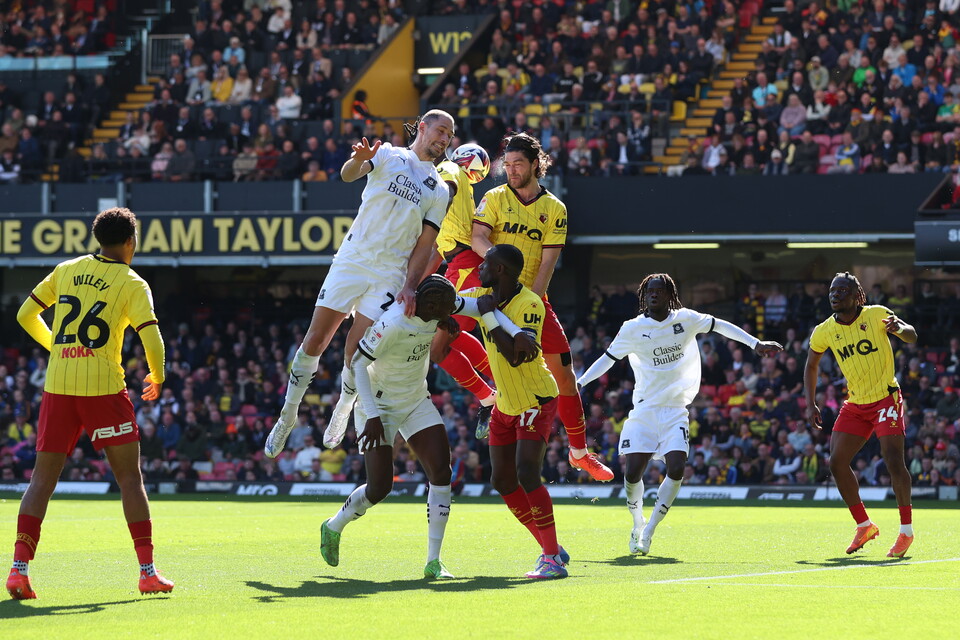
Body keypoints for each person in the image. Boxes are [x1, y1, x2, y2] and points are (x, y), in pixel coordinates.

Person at [264, 110, 453, 457]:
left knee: (356, 352)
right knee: (315, 340)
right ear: (422, 128)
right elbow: (348, 174)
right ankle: (287, 416)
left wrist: (410, 285)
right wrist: (358, 160)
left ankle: (343, 408)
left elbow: (425, 244)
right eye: (440, 130)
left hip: (389, 274)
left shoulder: (440, 190)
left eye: (449, 135)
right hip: (352, 260)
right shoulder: (388, 154)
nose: (444, 139)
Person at [7, 208, 173, 599]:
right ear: (131, 241)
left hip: (59, 385)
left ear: (99, 239)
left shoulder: (66, 269)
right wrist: (158, 375)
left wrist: (56, 346)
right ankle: (147, 572)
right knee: (129, 478)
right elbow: (152, 339)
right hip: (103, 388)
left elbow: (25, 313)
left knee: (41, 480)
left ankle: (18, 570)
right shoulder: (132, 282)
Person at [320, 275, 533, 578]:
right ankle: (333, 526)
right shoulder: (393, 323)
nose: (450, 314)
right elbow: (357, 363)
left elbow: (482, 306)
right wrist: (371, 415)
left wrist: (518, 331)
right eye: (445, 311)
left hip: (416, 400)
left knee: (441, 473)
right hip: (378, 405)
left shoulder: (440, 301)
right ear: (429, 305)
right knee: (380, 488)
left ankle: (434, 562)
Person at [576, 273, 782, 555]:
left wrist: (755, 343)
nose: (653, 295)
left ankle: (650, 531)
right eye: (648, 291)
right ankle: (637, 523)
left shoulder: (685, 319)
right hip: (645, 408)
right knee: (633, 473)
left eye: (659, 291)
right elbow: (608, 359)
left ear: (670, 295)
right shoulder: (632, 328)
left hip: (675, 410)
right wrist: (580, 382)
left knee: (676, 468)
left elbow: (719, 325)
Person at [471, 133, 612, 482]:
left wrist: (526, 304)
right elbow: (477, 236)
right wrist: (499, 281)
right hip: (491, 296)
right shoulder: (494, 198)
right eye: (508, 164)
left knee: (565, 377)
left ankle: (579, 454)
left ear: (536, 164)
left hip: (534, 300)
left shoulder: (554, 209)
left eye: (518, 163)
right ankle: (487, 401)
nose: (511, 170)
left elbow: (547, 265)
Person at [464, 245, 571, 579]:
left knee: (526, 472)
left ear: (499, 270)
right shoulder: (481, 293)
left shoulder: (530, 304)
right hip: (505, 403)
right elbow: (451, 302)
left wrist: (488, 316)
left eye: (485, 264)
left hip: (535, 398)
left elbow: (517, 355)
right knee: (501, 479)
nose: (478, 268)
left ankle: (551, 559)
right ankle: (549, 545)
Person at [804, 272, 917, 558]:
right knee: (837, 463)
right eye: (832, 290)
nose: (835, 294)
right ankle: (864, 525)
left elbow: (912, 335)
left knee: (893, 460)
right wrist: (810, 402)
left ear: (857, 296)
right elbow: (811, 365)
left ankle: (906, 531)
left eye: (842, 290)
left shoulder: (877, 314)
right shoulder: (824, 330)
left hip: (885, 398)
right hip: (855, 404)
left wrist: (899, 329)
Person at [423, 146, 497, 431]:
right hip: (460, 267)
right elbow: (439, 253)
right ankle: (498, 389)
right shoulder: (466, 192)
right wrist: (412, 282)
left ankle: (492, 394)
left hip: (467, 267)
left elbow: (447, 184)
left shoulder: (451, 171)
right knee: (451, 337)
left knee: (438, 347)